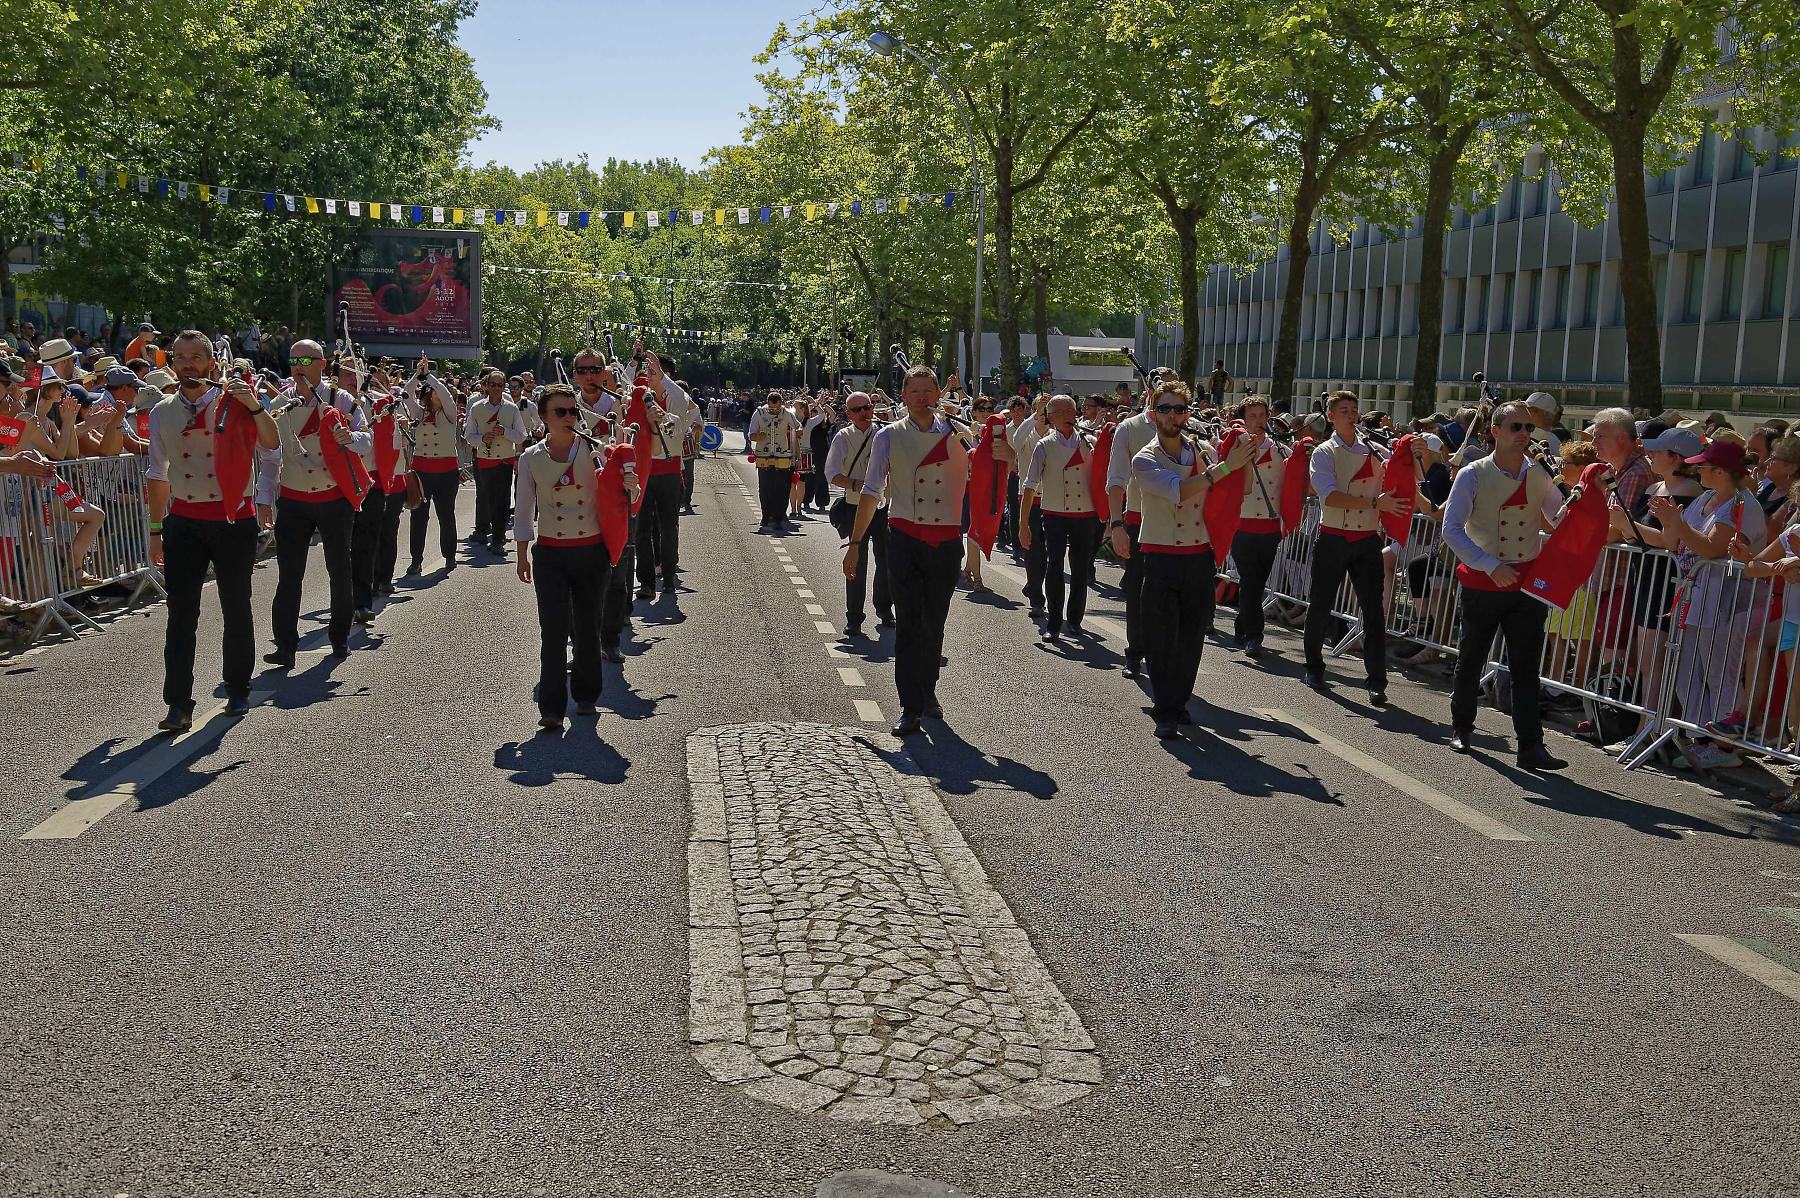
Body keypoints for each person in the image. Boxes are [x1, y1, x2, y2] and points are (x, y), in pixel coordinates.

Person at [144, 329, 280, 730]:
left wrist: (255, 405)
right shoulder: (161, 410)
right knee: (180, 614)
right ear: (172, 363)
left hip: (232, 519)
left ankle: (238, 689)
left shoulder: (236, 402)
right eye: (180, 357)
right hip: (184, 520)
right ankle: (179, 704)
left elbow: (271, 446)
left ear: (211, 363)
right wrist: (155, 531)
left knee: (236, 607)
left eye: (195, 357)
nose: (188, 364)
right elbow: (157, 473)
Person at [1440, 399, 1568, 769]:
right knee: (1471, 659)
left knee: (1526, 668)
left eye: (1528, 428)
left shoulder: (1541, 472)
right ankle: (1462, 728)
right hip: (1483, 581)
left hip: (1525, 585)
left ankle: (1531, 745)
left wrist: (1583, 508)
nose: (1524, 435)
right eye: (1516, 428)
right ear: (1494, 431)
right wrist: (1489, 564)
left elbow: (1557, 518)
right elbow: (1451, 529)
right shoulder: (1473, 474)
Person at [843, 365, 967, 737]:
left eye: (929, 390)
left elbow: (987, 469)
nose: (923, 398)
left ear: (938, 394)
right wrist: (855, 543)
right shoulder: (888, 437)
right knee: (909, 623)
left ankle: (928, 692)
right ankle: (909, 706)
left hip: (945, 541)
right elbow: (871, 491)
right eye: (915, 391)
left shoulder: (958, 433)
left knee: (934, 624)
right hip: (904, 538)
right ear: (903, 396)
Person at [1131, 381, 1256, 737]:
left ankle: (1178, 702)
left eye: (1179, 409)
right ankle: (1165, 707)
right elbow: (1179, 492)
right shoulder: (1144, 458)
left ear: (1187, 414)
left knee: (1191, 636)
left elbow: (1239, 487)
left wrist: (1243, 453)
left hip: (1198, 555)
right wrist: (1225, 467)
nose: (1173, 416)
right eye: (1166, 409)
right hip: (1160, 556)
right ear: (1153, 414)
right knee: (1160, 636)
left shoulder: (1202, 450)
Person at [514, 383, 640, 731]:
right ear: (544, 418)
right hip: (551, 552)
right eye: (561, 412)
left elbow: (622, 478)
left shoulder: (596, 449)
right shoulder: (530, 458)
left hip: (590, 549)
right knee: (552, 630)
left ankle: (586, 695)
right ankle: (552, 707)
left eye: (573, 411)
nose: (570, 417)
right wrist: (522, 554)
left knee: (587, 625)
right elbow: (523, 510)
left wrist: (631, 482)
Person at [258, 339, 371, 667]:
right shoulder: (280, 403)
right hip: (293, 498)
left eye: (306, 360)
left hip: (333, 497)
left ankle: (338, 637)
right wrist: (264, 499)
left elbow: (368, 437)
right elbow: (269, 456)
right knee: (289, 575)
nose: (298, 367)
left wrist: (351, 438)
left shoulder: (341, 399)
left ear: (322, 364)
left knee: (339, 569)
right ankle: (285, 646)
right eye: (293, 361)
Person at [1303, 391, 1410, 702]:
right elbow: (1330, 497)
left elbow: (1400, 480)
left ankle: (1377, 680)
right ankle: (1314, 667)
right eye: (1344, 410)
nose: (1351, 415)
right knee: (1320, 604)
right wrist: (1375, 502)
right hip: (1333, 536)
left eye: (1354, 410)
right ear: (1332, 417)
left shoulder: (1376, 452)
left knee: (1374, 611)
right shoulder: (1324, 452)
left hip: (1366, 539)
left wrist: (1410, 453)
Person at [1017, 395, 1100, 644]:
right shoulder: (1044, 445)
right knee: (1054, 565)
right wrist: (1023, 526)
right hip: (1054, 513)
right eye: (1060, 411)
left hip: (1085, 515)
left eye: (1070, 410)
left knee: (1080, 568)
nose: (1067, 416)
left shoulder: (1090, 442)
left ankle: (1074, 620)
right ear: (1050, 417)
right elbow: (1029, 486)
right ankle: (1053, 622)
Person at [1220, 396, 1290, 657]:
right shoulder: (1236, 448)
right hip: (1242, 525)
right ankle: (1254, 636)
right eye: (1253, 417)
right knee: (1250, 580)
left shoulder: (1280, 449)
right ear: (1243, 420)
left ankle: (1242, 626)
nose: (1259, 421)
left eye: (1262, 416)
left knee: (1257, 583)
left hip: (1270, 527)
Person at [1104, 381, 1161, 678]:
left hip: (1179, 526)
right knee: (1138, 590)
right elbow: (1116, 478)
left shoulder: (1189, 429)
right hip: (1139, 519)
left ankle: (1162, 655)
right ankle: (1135, 651)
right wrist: (1117, 524)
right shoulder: (1130, 428)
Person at [826, 390, 891, 637]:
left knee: (886, 561)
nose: (864, 413)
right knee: (856, 562)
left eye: (867, 407)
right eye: (857, 410)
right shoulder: (843, 437)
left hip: (884, 506)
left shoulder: (885, 433)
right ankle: (854, 617)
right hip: (855, 505)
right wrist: (856, 484)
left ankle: (885, 609)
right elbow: (831, 473)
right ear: (848, 413)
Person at [635, 351, 700, 598]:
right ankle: (646, 581)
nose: (649, 376)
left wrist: (662, 379)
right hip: (644, 471)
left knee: (668, 527)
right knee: (642, 529)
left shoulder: (676, 398)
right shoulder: (641, 394)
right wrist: (633, 362)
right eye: (648, 371)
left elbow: (678, 420)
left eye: (655, 372)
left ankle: (669, 574)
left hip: (669, 473)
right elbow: (623, 385)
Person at [401, 353, 462, 575]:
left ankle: (450, 555)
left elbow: (446, 395)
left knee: (446, 515)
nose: (439, 395)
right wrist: (418, 376)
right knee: (419, 516)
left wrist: (431, 377)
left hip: (446, 472)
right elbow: (405, 395)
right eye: (434, 392)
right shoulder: (419, 413)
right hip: (422, 472)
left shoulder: (450, 414)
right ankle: (416, 559)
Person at [465, 368, 526, 557]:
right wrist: (483, 438)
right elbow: (469, 436)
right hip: (485, 460)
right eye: (493, 385)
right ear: (486, 386)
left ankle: (498, 540)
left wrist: (505, 432)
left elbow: (522, 435)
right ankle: (488, 532)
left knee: (503, 500)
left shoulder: (512, 408)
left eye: (500, 385)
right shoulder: (476, 408)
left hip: (505, 460)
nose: (497, 389)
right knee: (489, 500)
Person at [748, 390, 799, 529]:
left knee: (782, 487)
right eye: (772, 409)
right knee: (765, 487)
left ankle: (780, 515)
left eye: (777, 408)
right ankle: (766, 515)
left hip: (781, 454)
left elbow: (798, 426)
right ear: (767, 404)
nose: (775, 411)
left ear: (781, 404)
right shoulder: (758, 413)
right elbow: (751, 434)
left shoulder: (787, 413)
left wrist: (799, 430)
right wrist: (757, 437)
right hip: (763, 454)